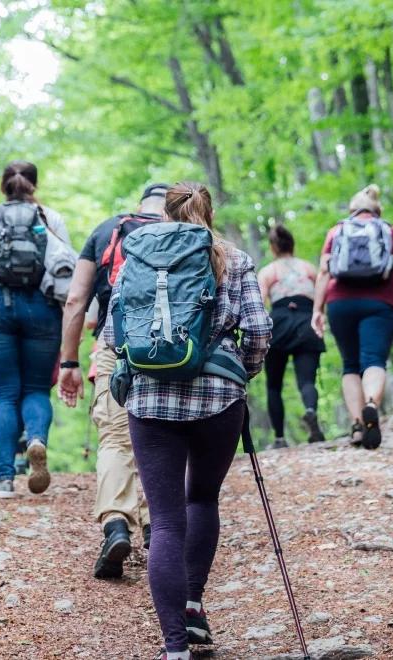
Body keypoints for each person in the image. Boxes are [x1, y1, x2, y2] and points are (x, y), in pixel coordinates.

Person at [102, 182, 271, 660]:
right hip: (219, 397)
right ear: (208, 212)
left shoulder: (136, 254)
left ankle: (174, 646)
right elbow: (257, 331)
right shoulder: (233, 258)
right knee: (202, 499)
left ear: (165, 213)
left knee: (167, 521)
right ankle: (193, 604)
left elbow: (115, 334)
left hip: (152, 400)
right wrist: (243, 374)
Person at [57, 183, 168, 579]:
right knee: (166, 436)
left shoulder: (108, 230)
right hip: (177, 351)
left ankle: (116, 525)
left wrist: (68, 361)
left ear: (140, 203)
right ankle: (162, 527)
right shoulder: (188, 228)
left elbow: (75, 300)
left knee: (116, 439)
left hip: (117, 347)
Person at [0, 160, 71, 499]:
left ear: (2, 185)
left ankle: (4, 480)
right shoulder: (51, 219)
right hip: (41, 308)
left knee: (3, 394)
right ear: (34, 185)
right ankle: (36, 438)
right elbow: (67, 272)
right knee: (36, 388)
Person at [312, 184, 393, 449]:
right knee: (374, 360)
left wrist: (317, 310)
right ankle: (371, 404)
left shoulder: (336, 231)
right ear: (377, 210)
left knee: (350, 364)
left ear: (352, 210)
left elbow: (323, 272)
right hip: (380, 303)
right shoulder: (391, 233)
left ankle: (358, 425)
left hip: (340, 303)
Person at [257, 224, 326, 448]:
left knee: (274, 385)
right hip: (307, 322)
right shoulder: (309, 268)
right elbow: (321, 297)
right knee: (307, 380)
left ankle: (279, 438)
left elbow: (259, 302)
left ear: (273, 247)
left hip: (278, 324)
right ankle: (310, 411)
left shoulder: (269, 272)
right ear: (292, 244)